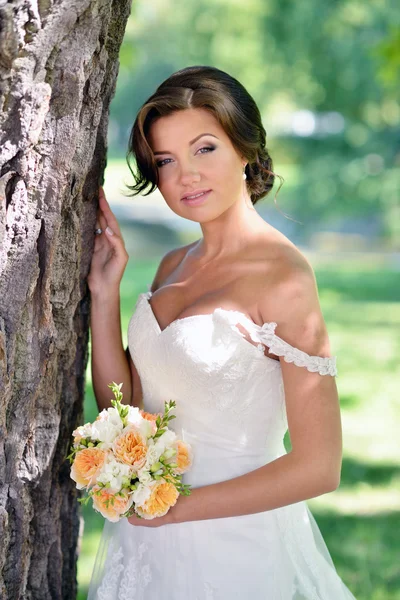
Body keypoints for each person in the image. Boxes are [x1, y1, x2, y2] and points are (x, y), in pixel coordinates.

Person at [87, 65, 357, 599]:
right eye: (166, 160)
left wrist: (177, 510)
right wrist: (104, 296)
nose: (185, 175)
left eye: (204, 149)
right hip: (146, 543)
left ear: (245, 150)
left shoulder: (285, 278)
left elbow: (319, 467)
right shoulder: (170, 266)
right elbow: (125, 410)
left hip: (233, 546)